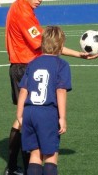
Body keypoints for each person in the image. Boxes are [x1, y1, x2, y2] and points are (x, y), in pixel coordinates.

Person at [4, 0, 98, 175]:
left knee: (22, 119)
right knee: (24, 119)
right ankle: (18, 166)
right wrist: (78, 54)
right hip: (26, 67)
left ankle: (15, 166)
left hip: (24, 66)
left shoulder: (21, 6)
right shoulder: (23, 13)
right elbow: (45, 45)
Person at [17, 26, 71, 175]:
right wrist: (62, 118)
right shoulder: (62, 65)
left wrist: (19, 115)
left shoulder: (33, 63)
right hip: (47, 113)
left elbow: (23, 90)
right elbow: (60, 91)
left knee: (35, 155)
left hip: (29, 112)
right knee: (51, 156)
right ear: (61, 46)